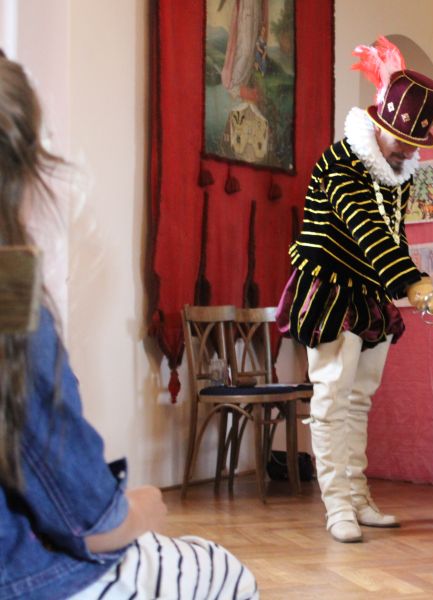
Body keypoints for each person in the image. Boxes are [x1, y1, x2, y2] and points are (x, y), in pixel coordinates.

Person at [0, 54, 258, 600]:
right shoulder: (10, 302)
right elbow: (88, 526)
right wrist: (139, 508)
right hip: (26, 576)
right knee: (228, 573)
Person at [278, 38, 433, 543]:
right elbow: (367, 228)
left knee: (359, 400)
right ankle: (336, 507)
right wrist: (411, 282)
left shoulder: (400, 173)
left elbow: (394, 233)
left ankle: (356, 494)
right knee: (331, 398)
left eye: (415, 141)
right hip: (329, 291)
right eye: (402, 139)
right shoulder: (341, 163)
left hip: (370, 294)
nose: (409, 150)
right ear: (380, 122)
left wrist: (415, 284)